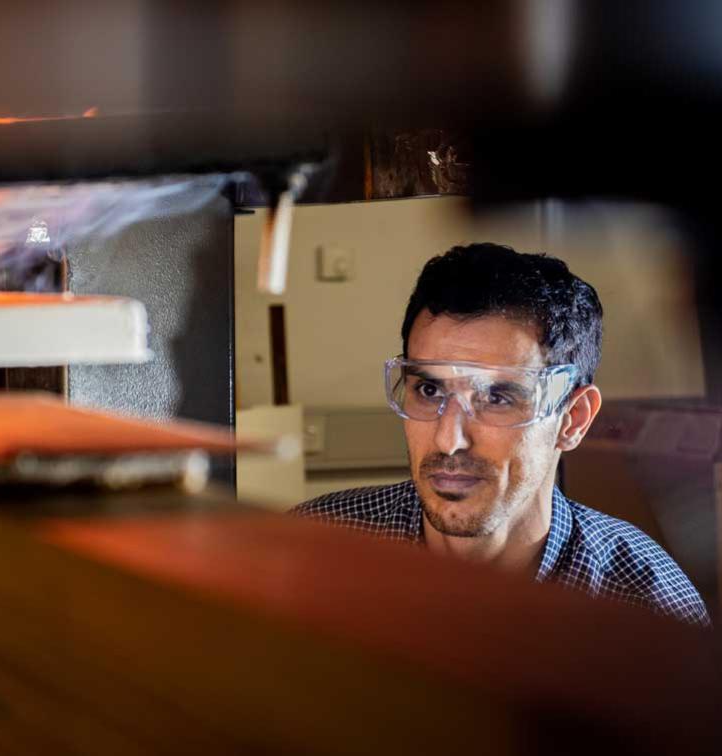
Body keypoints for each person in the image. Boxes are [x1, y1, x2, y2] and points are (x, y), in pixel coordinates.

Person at [294, 243, 710, 626]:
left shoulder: (644, 601)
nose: (448, 440)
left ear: (574, 419)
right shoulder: (317, 550)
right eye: (429, 389)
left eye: (498, 397)